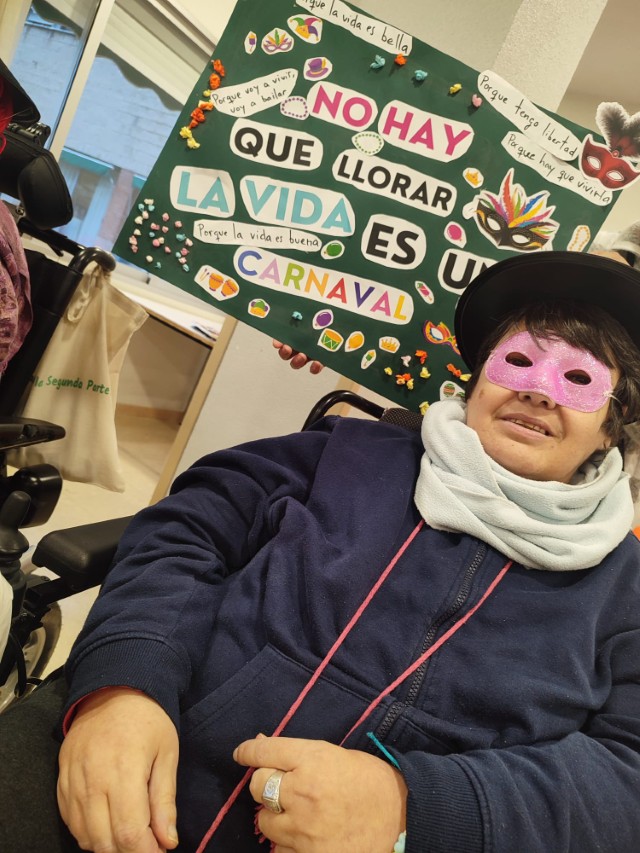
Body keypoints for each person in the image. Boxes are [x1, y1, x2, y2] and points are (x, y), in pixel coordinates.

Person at [5, 250, 640, 853]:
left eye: (579, 379)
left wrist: (411, 808)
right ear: (475, 382)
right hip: (142, 751)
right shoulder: (337, 453)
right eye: (519, 362)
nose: (540, 392)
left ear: (612, 426)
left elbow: (627, 773)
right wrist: (123, 685)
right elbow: (185, 531)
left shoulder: (625, 591)